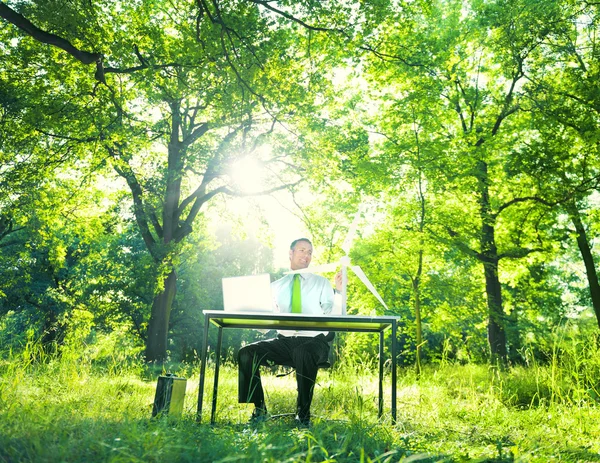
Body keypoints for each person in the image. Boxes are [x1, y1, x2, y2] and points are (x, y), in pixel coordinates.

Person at [237, 238, 342, 426]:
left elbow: (333, 315)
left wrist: (340, 293)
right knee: (246, 353)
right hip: (284, 342)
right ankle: (259, 411)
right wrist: (249, 312)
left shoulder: (321, 282)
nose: (307, 255)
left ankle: (303, 416)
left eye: (310, 252)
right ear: (291, 253)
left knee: (302, 352)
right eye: (302, 250)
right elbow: (264, 326)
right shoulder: (276, 286)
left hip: (314, 342)